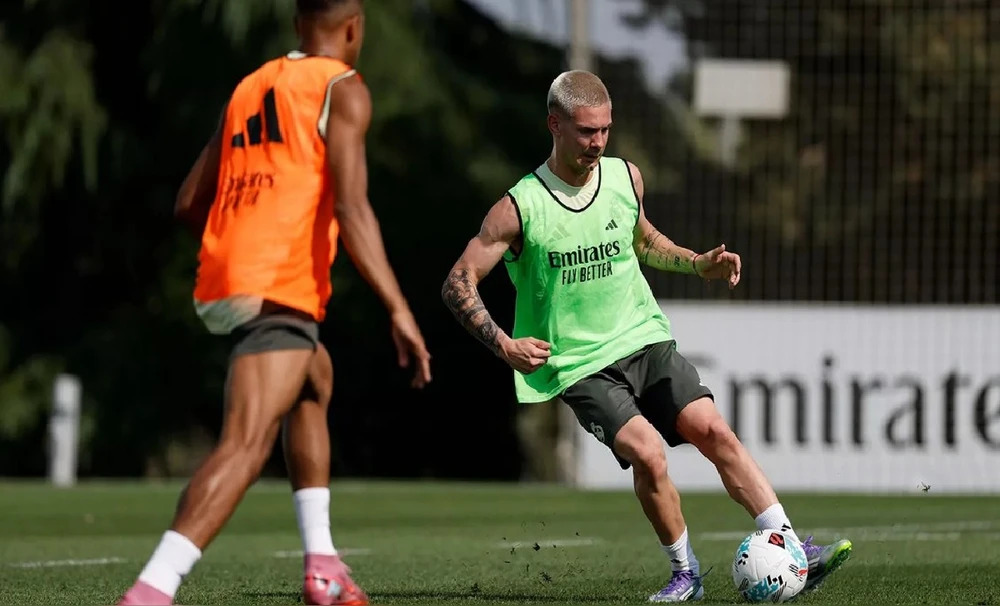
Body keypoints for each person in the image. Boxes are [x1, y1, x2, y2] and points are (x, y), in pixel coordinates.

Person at [441, 70, 851, 602]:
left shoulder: (625, 178)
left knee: (713, 430)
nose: (598, 142)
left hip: (643, 336)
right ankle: (686, 574)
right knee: (649, 452)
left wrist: (696, 264)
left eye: (606, 130)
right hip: (578, 362)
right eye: (587, 131)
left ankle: (794, 545)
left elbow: (644, 240)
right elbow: (457, 282)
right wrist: (503, 344)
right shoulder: (521, 206)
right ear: (555, 125)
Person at [118, 1, 431, 604]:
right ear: (353, 28)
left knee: (313, 379)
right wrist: (398, 306)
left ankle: (323, 565)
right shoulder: (343, 88)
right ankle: (151, 591)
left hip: (226, 276)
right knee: (246, 442)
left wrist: (239, 242)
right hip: (278, 280)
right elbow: (352, 207)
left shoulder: (251, 85)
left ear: (297, 26)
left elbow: (188, 203)